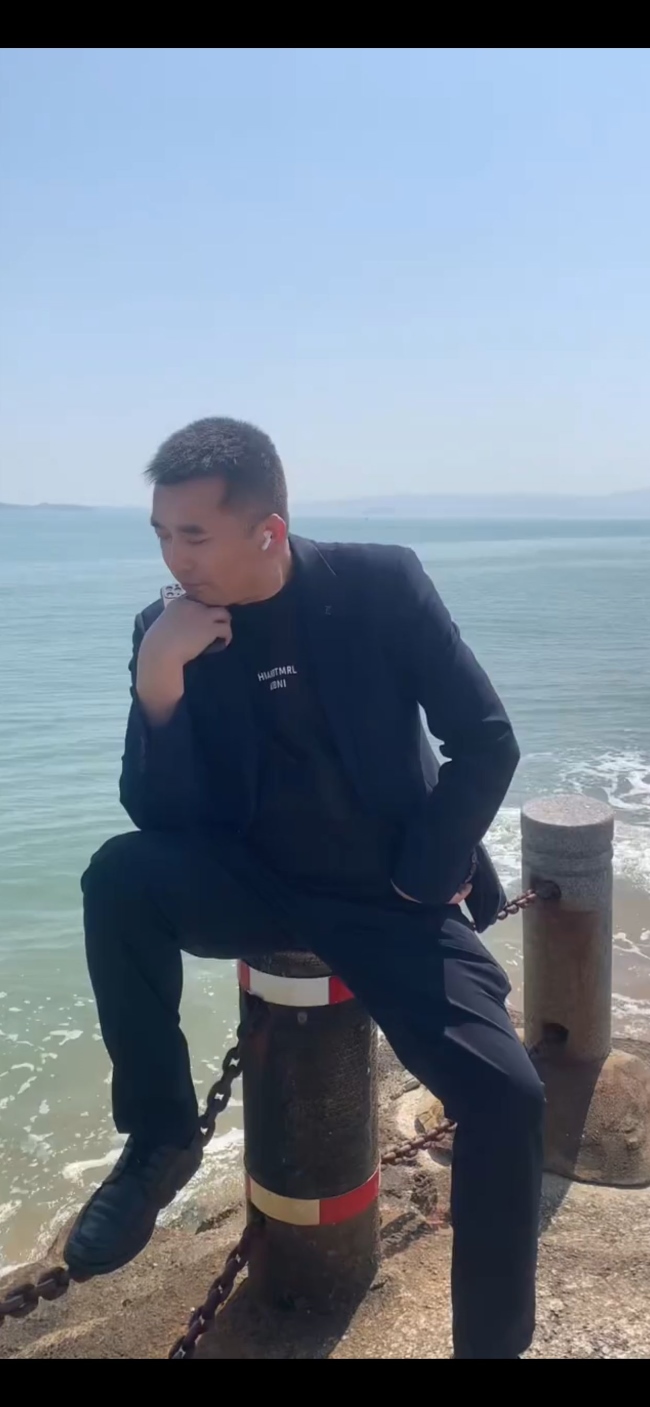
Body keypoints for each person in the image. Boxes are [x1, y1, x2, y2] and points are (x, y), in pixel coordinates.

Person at [66, 417, 544, 1359]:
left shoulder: (378, 586)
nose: (174, 558)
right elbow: (157, 816)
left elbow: (486, 740)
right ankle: (159, 1141)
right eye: (161, 534)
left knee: (507, 1099)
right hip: (253, 882)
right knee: (117, 877)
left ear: (268, 530)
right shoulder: (167, 630)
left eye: (194, 535)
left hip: (388, 892)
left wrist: (425, 873)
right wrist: (159, 680)